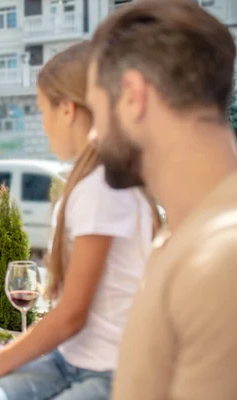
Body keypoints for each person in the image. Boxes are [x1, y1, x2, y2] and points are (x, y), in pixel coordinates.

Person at [0, 41, 160, 399]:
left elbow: (71, 315)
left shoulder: (103, 187)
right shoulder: (92, 181)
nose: (44, 124)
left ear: (66, 109)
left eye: (41, 111)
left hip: (113, 372)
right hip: (67, 360)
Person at [86, 1, 237, 398]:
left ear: (134, 96)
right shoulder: (187, 236)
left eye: (96, 110)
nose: (93, 136)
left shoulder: (220, 260)